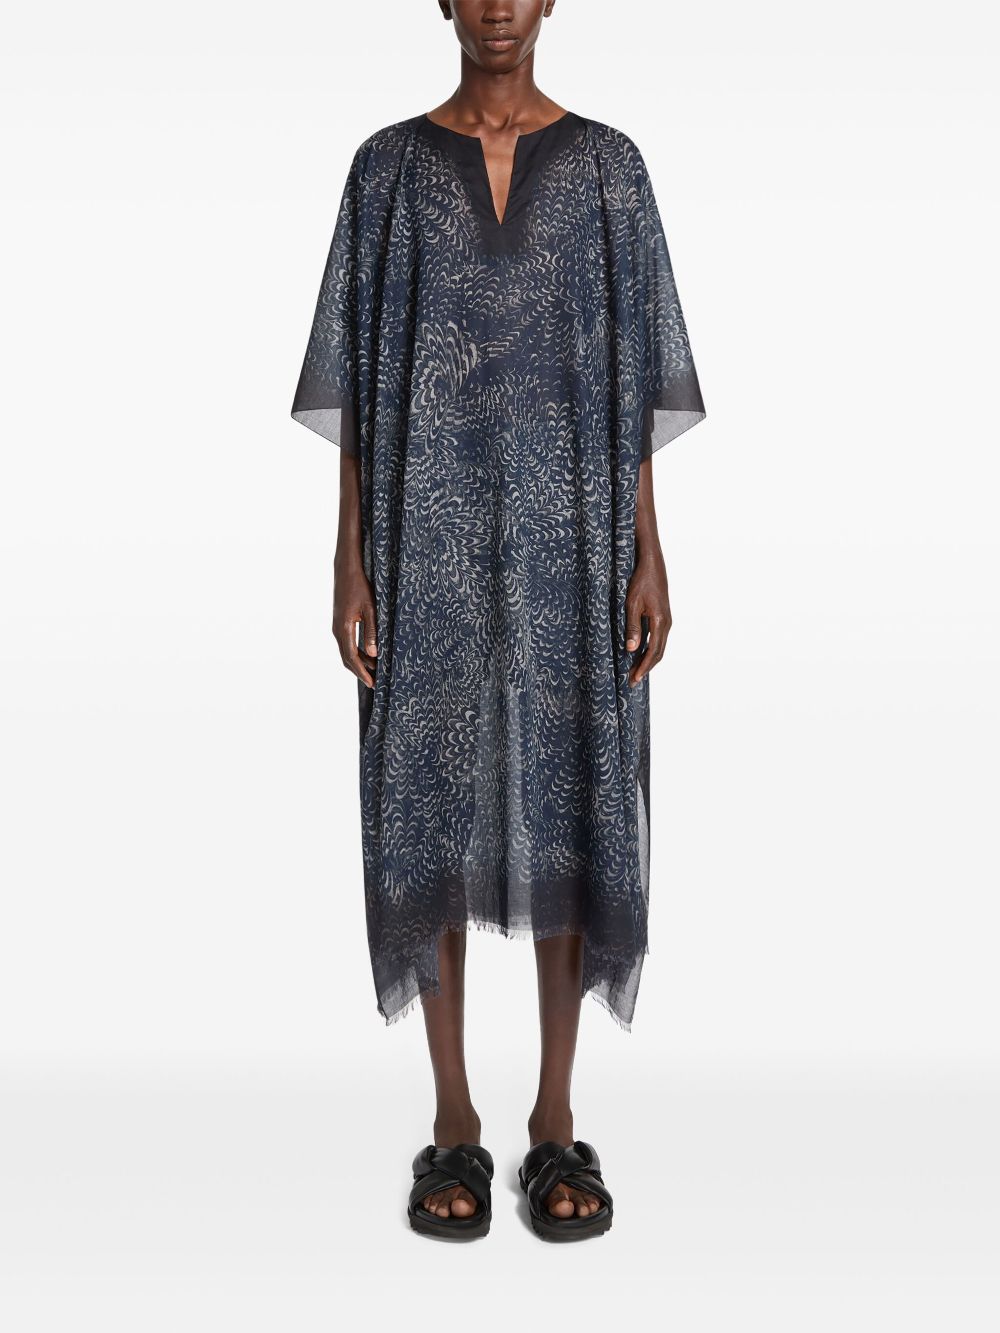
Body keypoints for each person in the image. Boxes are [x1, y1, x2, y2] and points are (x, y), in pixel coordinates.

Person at [290, 0, 705, 1242]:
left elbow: (633, 382)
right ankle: (453, 1121)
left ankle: (555, 1118)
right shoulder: (386, 172)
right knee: (428, 800)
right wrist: (350, 555)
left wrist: (647, 546)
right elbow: (358, 382)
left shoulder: (609, 171)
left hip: (576, 544)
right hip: (423, 545)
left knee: (574, 794)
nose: (497, 6)